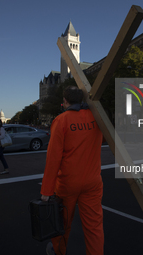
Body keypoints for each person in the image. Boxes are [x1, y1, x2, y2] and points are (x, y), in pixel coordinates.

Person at [41, 86, 104, 255]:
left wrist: (46, 190)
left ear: (65, 101)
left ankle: (58, 251)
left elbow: (53, 158)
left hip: (68, 182)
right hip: (93, 181)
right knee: (94, 227)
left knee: (63, 224)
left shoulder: (62, 120)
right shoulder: (97, 118)